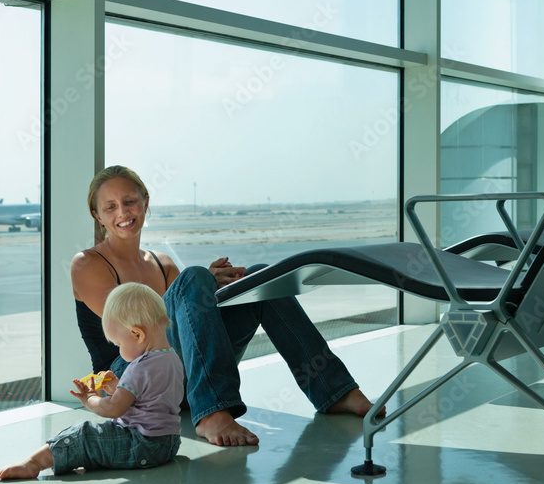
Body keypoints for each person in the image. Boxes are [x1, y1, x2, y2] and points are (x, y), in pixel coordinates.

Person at [71, 165, 380, 447]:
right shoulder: (87, 263)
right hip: (126, 385)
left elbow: (185, 327)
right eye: (110, 207)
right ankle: (212, 413)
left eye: (129, 201)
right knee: (194, 278)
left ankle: (334, 390)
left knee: (260, 277)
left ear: (145, 202)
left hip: (176, 382)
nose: (122, 212)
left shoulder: (162, 263)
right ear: (97, 215)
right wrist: (197, 283)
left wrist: (208, 290)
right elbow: (131, 331)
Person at [0, 282, 184, 480]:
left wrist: (90, 398)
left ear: (137, 334)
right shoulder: (173, 360)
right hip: (168, 444)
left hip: (141, 444)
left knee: (84, 434)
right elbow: (150, 399)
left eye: (118, 344)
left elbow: (113, 409)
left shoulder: (139, 367)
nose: (119, 350)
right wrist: (118, 388)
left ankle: (34, 463)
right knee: (101, 440)